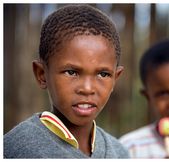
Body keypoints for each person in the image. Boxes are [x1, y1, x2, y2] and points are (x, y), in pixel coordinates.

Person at [4, 4, 129, 158]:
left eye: (103, 74)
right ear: (41, 74)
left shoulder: (120, 152)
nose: (87, 88)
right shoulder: (15, 149)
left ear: (115, 79)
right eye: (72, 72)